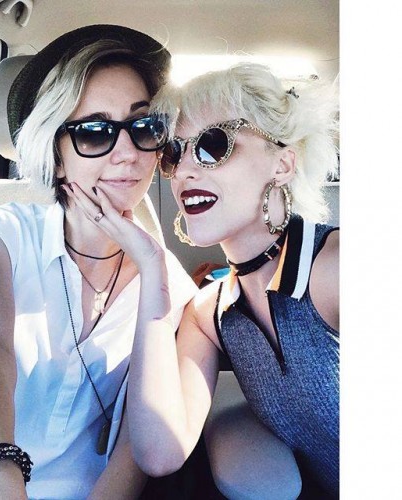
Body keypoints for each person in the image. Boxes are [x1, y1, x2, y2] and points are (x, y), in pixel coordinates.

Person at [70, 62, 339, 498]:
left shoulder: (336, 267)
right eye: (174, 154)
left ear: (283, 163)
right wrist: (151, 266)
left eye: (214, 144)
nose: (183, 172)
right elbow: (160, 453)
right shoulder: (208, 313)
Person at [0, 25, 197, 500]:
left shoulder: (169, 287)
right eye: (94, 132)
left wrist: (153, 264)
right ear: (56, 155)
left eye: (144, 127)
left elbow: (135, 447)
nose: (128, 154)